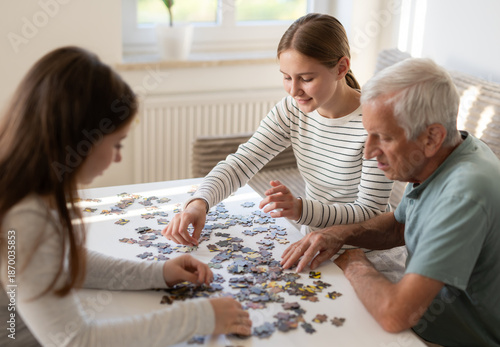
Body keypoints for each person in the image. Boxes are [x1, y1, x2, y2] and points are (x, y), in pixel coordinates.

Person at [0, 46, 251, 346]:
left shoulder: (26, 188)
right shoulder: (25, 218)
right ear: (80, 140)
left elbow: (62, 261)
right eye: (117, 144)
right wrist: (201, 317)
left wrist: (158, 273)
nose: (118, 159)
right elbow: (78, 341)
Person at [281, 57, 500, 346]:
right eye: (368, 134)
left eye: (383, 138)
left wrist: (354, 262)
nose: (369, 152)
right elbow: (399, 226)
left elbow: (395, 314)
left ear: (432, 137)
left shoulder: (463, 193)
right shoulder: (446, 155)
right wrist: (336, 235)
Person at [164, 13, 394, 247]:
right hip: (312, 242)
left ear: (341, 68)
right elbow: (242, 162)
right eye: (286, 77)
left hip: (365, 249)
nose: (294, 91)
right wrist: (199, 202)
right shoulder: (292, 110)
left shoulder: (375, 122)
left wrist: (300, 209)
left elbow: (371, 213)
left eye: (306, 78)